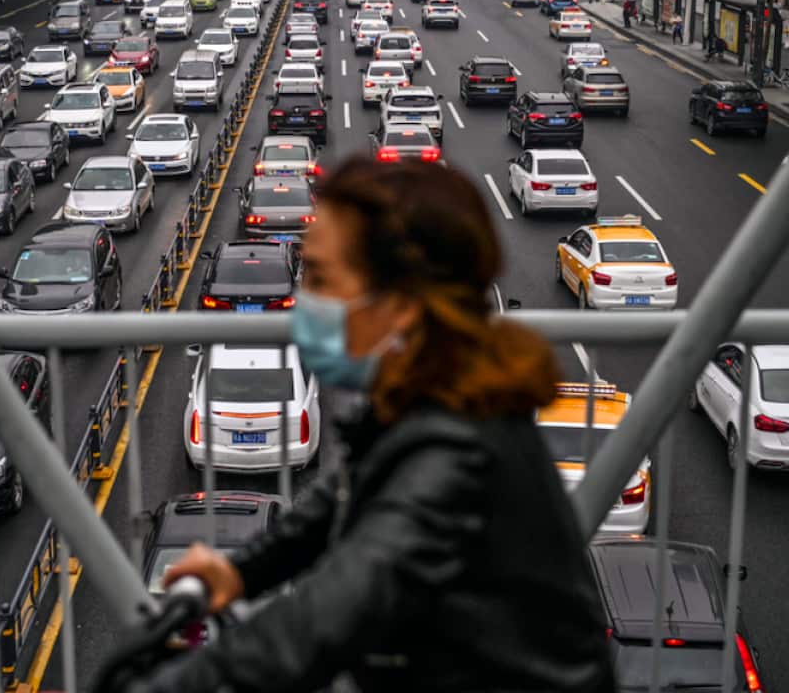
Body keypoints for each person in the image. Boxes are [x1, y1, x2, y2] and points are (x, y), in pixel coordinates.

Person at [108, 158, 616, 693]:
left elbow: (334, 608)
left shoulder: (455, 454)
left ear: (399, 302)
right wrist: (240, 573)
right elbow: (331, 506)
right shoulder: (429, 399)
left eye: (322, 279)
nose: (304, 301)